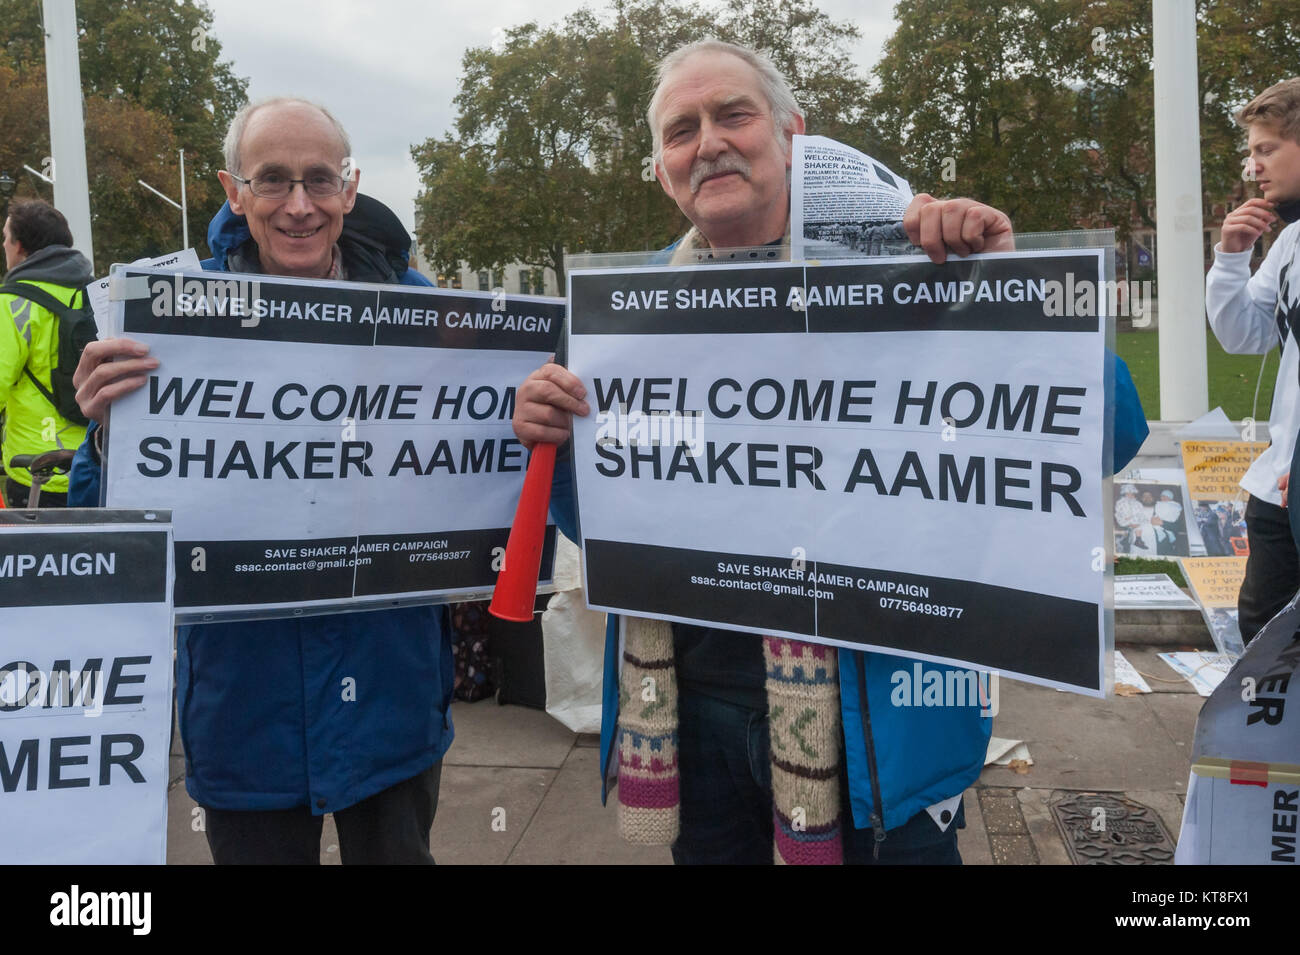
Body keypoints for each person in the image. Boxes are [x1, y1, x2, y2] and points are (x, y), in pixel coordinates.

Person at [514, 39, 1148, 864]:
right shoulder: (621, 314)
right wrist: (553, 444)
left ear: (791, 136)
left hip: (876, 723)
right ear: (663, 168)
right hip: (691, 707)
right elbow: (603, 523)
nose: (708, 142)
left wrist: (1006, 297)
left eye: (733, 115)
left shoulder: (917, 272)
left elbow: (1114, 433)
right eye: (681, 130)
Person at [67, 98, 453, 864]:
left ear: (349, 187)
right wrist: (112, 433)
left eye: (319, 179)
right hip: (246, 708)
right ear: (232, 190)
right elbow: (103, 518)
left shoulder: (424, 309)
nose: (299, 205)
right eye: (272, 180)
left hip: (391, 695)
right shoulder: (167, 320)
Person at [1205, 77, 1300, 642]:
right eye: (1251, 153)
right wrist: (1231, 258)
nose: (1254, 168)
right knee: (1266, 646)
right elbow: (1244, 335)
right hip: (1277, 486)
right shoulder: (1289, 242)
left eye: (1267, 150)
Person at [0, 199, 92, 508]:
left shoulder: (11, 304)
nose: (3, 245)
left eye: (5, 237)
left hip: (35, 470)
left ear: (20, 246)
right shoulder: (97, 293)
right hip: (93, 464)